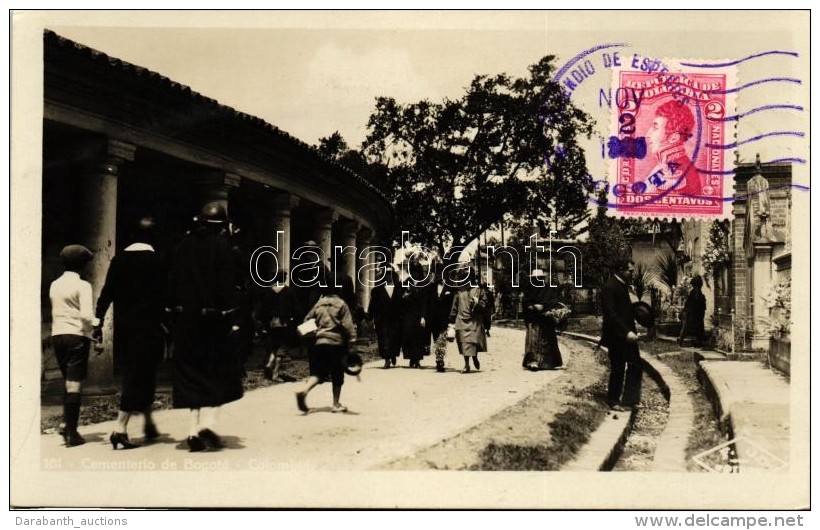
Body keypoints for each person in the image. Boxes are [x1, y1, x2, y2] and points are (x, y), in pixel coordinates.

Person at [167, 202, 244, 452]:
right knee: (219, 373)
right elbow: (228, 286)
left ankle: (192, 430)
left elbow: (172, 282)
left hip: (186, 323)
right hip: (214, 323)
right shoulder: (223, 248)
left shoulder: (181, 247)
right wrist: (234, 320)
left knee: (191, 376)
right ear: (221, 225)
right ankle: (206, 425)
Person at [94, 218, 167, 449]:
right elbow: (165, 296)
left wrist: (98, 321)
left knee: (140, 372)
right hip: (150, 327)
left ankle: (148, 422)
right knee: (138, 374)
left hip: (124, 329)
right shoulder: (157, 261)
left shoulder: (119, 260)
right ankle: (120, 428)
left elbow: (107, 293)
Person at [49, 244, 97, 447]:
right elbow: (86, 316)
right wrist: (96, 324)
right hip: (76, 336)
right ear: (82, 265)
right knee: (74, 384)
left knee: (68, 382)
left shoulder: (54, 284)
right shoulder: (83, 285)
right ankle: (72, 433)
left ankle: (65, 424)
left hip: (57, 335)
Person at [295, 276, 357, 414]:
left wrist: (317, 331)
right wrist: (353, 341)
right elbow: (348, 326)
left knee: (318, 372)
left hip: (320, 342)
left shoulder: (319, 303)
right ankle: (336, 404)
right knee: (337, 374)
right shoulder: (341, 304)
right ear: (338, 289)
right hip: (336, 343)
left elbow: (306, 320)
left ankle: (304, 391)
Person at [600, 259, 642, 411]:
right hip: (616, 335)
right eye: (629, 271)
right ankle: (613, 400)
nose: (632, 274)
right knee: (618, 367)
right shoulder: (609, 287)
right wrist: (626, 332)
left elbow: (627, 311)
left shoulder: (625, 286)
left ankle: (630, 400)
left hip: (628, 333)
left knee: (636, 365)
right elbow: (612, 315)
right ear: (620, 270)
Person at [645, 99, 701, 197]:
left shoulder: (676, 171)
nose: (648, 134)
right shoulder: (669, 164)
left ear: (674, 138)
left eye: (655, 128)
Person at [253, 270, 298, 381]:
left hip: (271, 323)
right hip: (284, 323)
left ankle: (269, 364)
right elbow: (296, 308)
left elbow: (262, 309)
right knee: (282, 350)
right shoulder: (289, 291)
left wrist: (263, 323)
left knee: (274, 347)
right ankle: (275, 374)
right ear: (284, 278)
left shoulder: (267, 292)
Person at [521, 269, 563, 371]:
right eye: (535, 278)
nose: (537, 280)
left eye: (539, 278)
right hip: (533, 318)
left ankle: (546, 363)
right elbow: (525, 302)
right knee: (533, 340)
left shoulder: (548, 288)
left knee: (546, 341)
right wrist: (532, 306)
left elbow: (553, 301)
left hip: (545, 318)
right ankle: (532, 362)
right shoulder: (530, 289)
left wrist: (544, 306)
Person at [448, 266, 487, 374]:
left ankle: (474, 356)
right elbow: (454, 307)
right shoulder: (459, 291)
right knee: (464, 343)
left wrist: (477, 303)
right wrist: (451, 320)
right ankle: (466, 364)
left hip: (475, 321)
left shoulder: (478, 290)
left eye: (469, 277)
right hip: (461, 320)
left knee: (474, 342)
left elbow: (485, 304)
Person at [367, 264, 404, 368]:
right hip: (382, 319)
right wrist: (370, 317)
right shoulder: (377, 290)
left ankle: (393, 356)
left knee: (394, 338)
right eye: (386, 274)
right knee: (383, 339)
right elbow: (373, 305)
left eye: (391, 274)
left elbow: (403, 304)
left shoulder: (399, 289)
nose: (389, 276)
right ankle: (387, 359)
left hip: (395, 319)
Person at [400, 262, 432, 368]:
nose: (415, 274)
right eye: (412, 272)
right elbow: (400, 298)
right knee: (409, 336)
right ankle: (411, 358)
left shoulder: (424, 284)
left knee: (418, 337)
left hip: (419, 314)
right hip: (408, 314)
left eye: (416, 272)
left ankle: (417, 359)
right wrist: (404, 296)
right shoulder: (406, 282)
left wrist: (423, 316)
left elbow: (425, 302)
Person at [428, 269, 456, 373]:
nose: (439, 276)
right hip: (433, 319)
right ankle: (438, 358)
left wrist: (452, 318)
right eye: (438, 274)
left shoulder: (450, 287)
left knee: (442, 339)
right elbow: (428, 303)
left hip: (444, 318)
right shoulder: (431, 287)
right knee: (436, 339)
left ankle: (440, 361)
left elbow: (453, 303)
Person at [679, 275, 707, 346]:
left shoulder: (695, 292)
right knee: (696, 327)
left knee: (688, 327)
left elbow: (690, 303)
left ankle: (682, 339)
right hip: (695, 312)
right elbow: (694, 303)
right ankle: (698, 341)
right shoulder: (697, 292)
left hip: (694, 313)